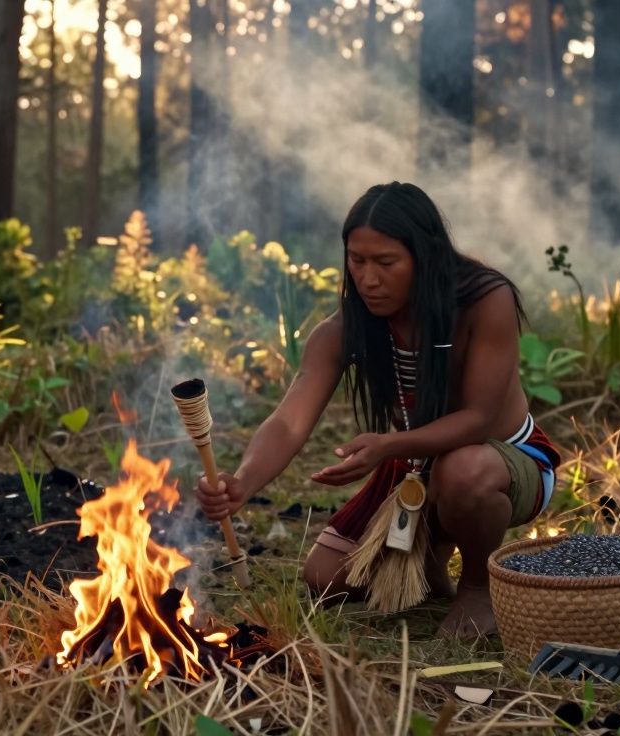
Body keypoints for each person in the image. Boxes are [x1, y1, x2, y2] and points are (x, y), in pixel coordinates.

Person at [194, 182, 560, 639]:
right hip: (412, 467)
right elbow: (289, 421)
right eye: (357, 261)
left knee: (462, 470)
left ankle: (478, 587)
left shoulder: (484, 301)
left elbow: (479, 420)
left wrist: (387, 445)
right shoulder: (345, 328)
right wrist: (241, 483)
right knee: (325, 577)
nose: (368, 279)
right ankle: (428, 562)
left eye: (386, 263)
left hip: (502, 459)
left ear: (425, 257)